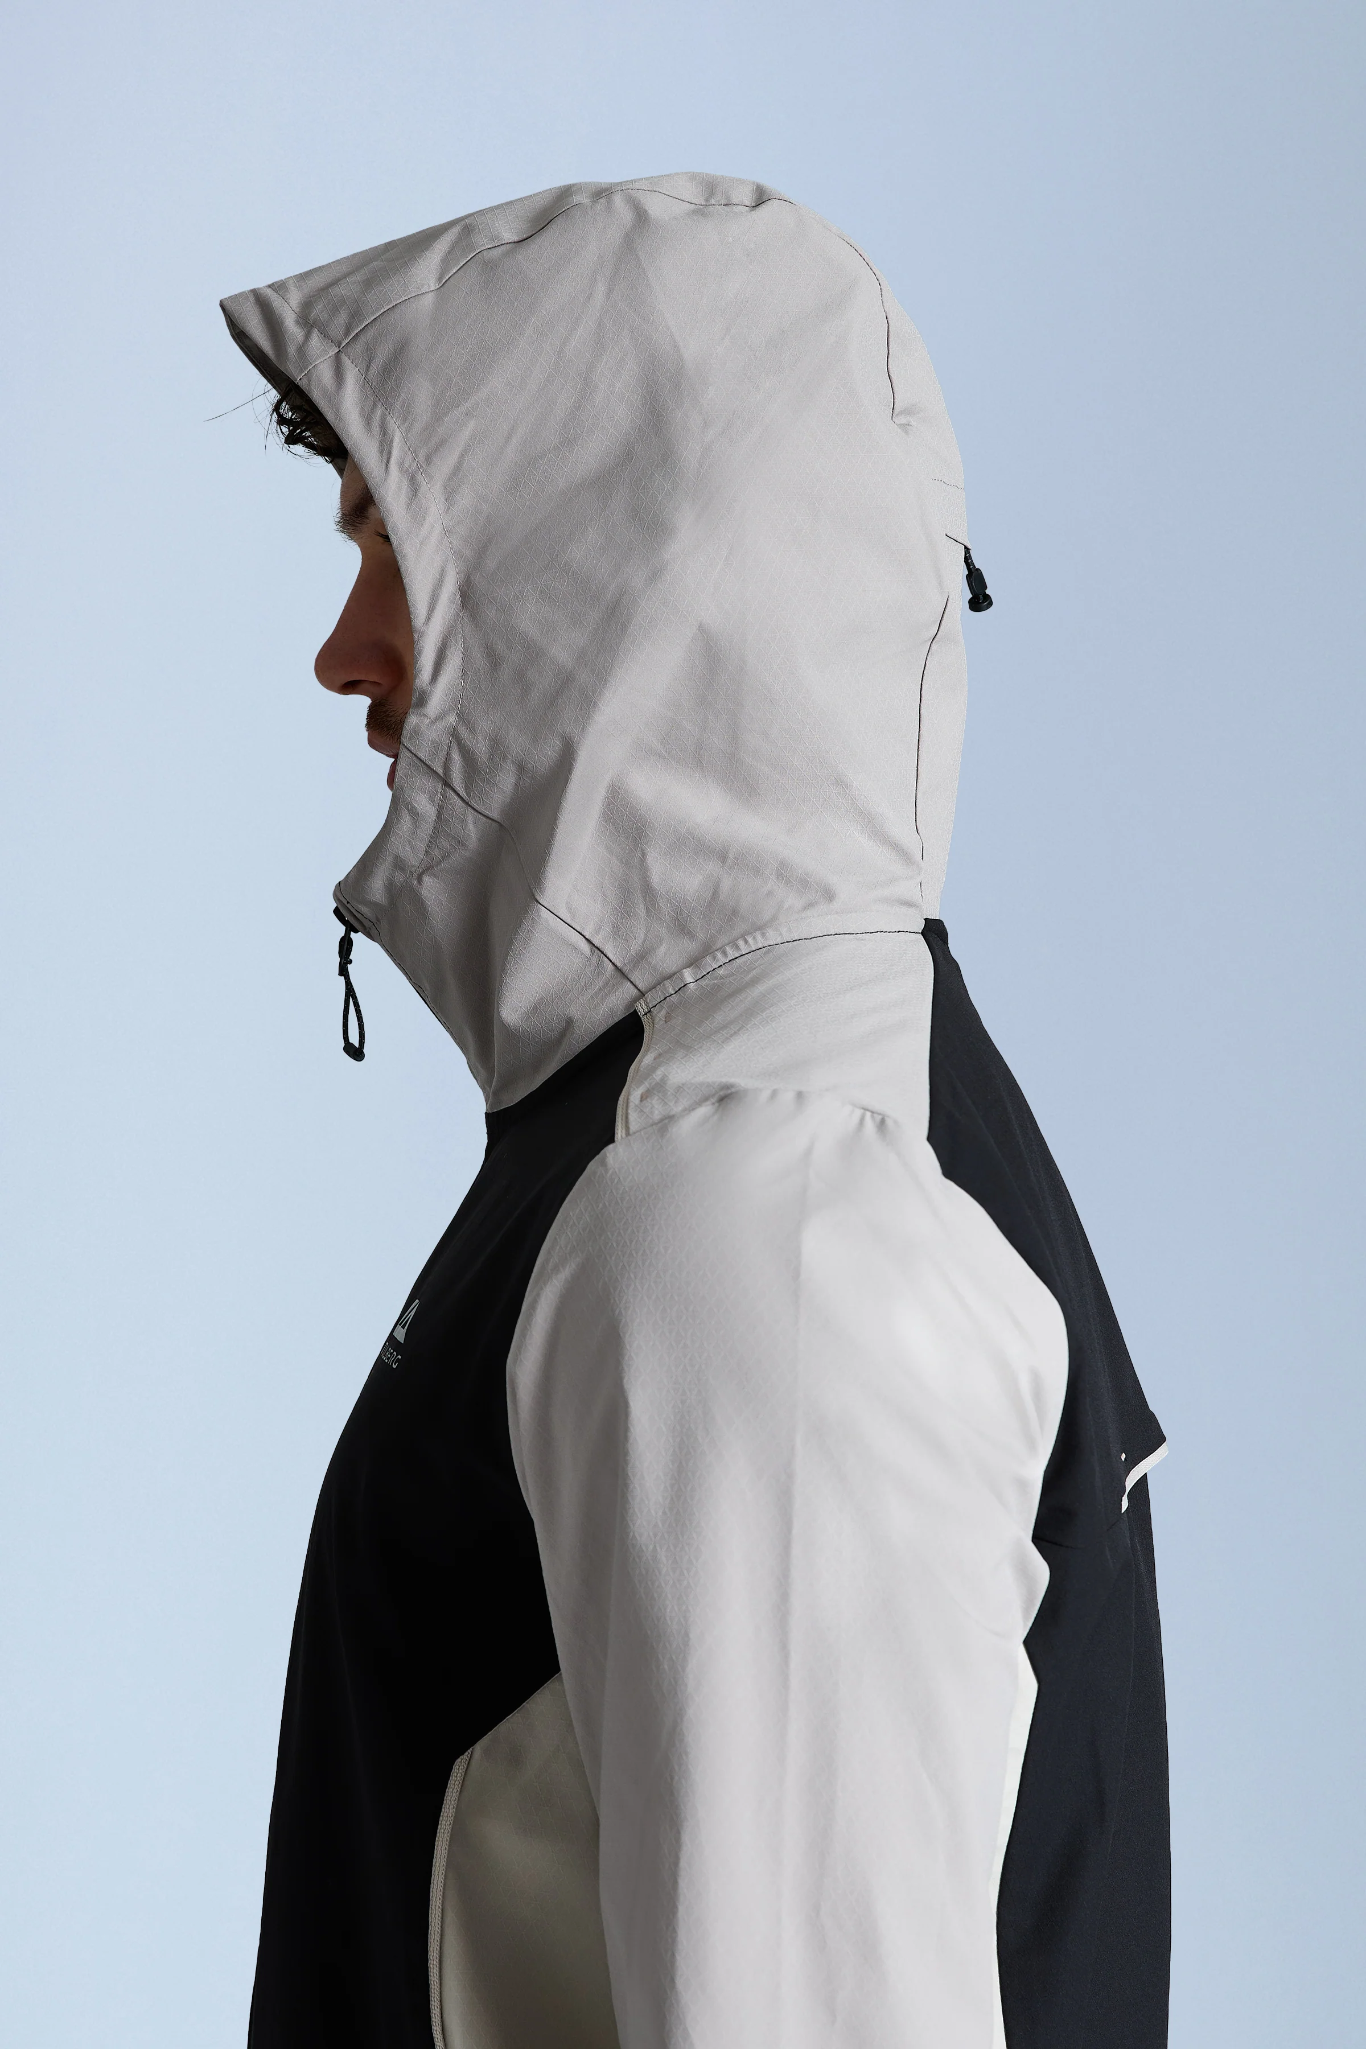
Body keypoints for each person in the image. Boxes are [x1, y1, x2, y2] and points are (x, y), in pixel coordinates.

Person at [222, 172, 1169, 2049]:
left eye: (396, 549)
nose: (344, 649)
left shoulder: (754, 1215)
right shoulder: (744, 1130)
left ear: (611, 574)